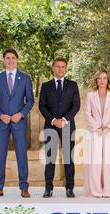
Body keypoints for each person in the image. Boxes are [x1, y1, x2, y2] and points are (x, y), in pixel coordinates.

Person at [0, 48, 34, 198]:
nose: (11, 60)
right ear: (3, 60)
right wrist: (0, 115)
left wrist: (20, 114)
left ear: (17, 60)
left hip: (18, 123)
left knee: (21, 154)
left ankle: (24, 187)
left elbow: (30, 100)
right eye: (8, 58)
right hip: (2, 123)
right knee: (0, 155)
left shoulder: (25, 78)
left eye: (13, 58)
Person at [39, 57, 80, 198]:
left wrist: (63, 119)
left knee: (69, 158)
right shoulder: (45, 86)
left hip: (67, 126)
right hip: (50, 126)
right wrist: (53, 120)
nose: (60, 69)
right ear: (53, 68)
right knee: (50, 158)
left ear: (66, 68)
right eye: (58, 66)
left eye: (63, 66)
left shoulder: (73, 85)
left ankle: (70, 188)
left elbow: (76, 106)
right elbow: (42, 106)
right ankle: (48, 188)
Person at [84, 70, 110, 197]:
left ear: (108, 80)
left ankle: (109, 190)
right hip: (95, 132)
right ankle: (96, 191)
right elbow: (87, 113)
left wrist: (108, 127)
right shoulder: (90, 95)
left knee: (109, 162)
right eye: (99, 78)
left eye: (104, 78)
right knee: (95, 163)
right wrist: (97, 127)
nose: (102, 80)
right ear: (96, 80)